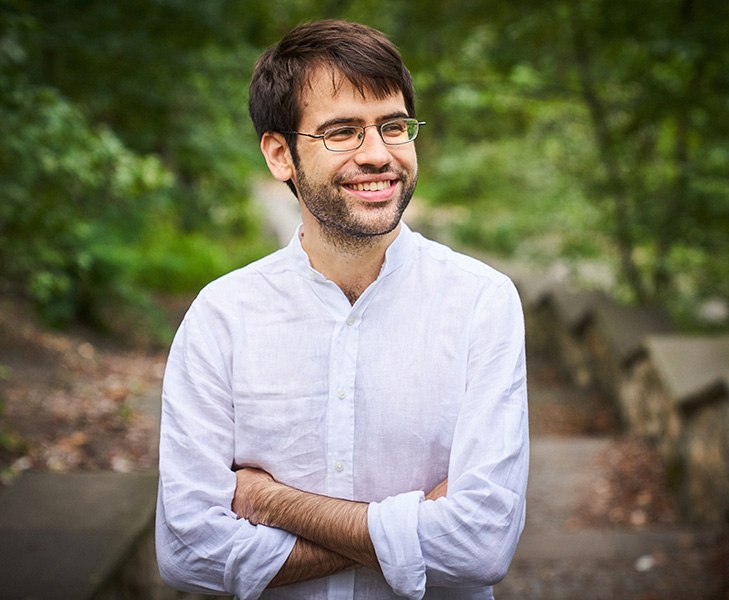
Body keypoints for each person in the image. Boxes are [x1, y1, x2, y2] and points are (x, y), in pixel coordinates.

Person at [155, 19, 529, 600]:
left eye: (393, 126)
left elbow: (480, 546)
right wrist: (414, 528)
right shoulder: (222, 317)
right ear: (281, 154)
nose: (378, 154)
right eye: (342, 132)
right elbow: (186, 553)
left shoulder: (481, 302)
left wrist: (272, 502)